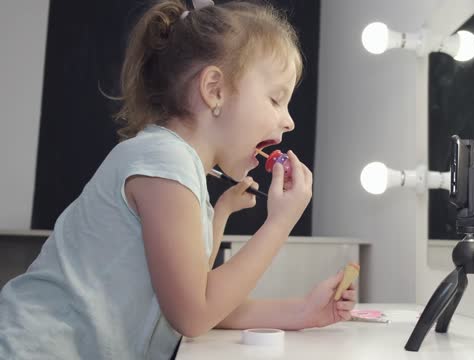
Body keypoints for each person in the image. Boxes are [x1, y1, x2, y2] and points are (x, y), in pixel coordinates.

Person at [0, 1, 357, 358]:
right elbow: (193, 314)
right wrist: (281, 222)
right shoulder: (164, 162)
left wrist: (303, 310)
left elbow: (197, 293)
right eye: (276, 99)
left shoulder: (179, 169)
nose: (289, 121)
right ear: (214, 89)